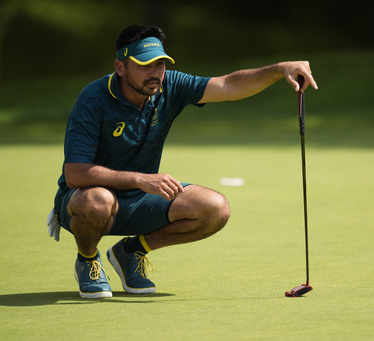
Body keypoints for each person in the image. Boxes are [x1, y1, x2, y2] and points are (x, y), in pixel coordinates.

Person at [47, 24, 318, 298]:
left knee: (215, 208)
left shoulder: (170, 85)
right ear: (120, 67)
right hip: (83, 202)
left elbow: (227, 85)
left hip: (139, 201)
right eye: (144, 65)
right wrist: (140, 179)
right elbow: (75, 174)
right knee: (98, 201)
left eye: (160, 64)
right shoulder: (93, 99)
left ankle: (131, 251)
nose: (155, 73)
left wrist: (279, 69)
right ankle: (88, 259)